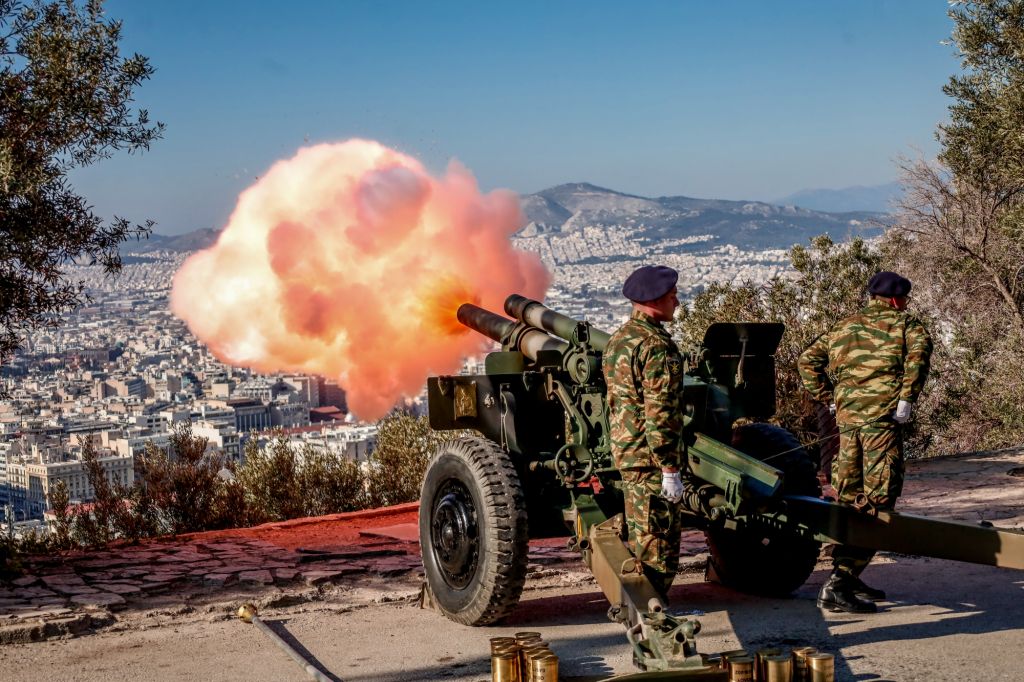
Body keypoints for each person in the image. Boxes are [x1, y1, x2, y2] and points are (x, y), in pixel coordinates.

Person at [798, 271, 933, 613]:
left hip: (848, 426)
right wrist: (907, 398)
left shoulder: (843, 326)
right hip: (880, 425)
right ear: (896, 300)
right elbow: (918, 361)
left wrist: (829, 397)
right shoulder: (907, 326)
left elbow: (807, 361)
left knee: (849, 498)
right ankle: (839, 582)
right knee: (878, 502)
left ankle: (851, 573)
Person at [602, 264, 689, 602]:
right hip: (652, 460)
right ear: (654, 300)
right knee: (659, 545)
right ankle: (653, 613)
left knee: (643, 536)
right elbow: (661, 413)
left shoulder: (618, 341)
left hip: (628, 452)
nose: (677, 303)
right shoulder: (657, 347)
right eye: (672, 297)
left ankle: (647, 606)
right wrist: (670, 468)